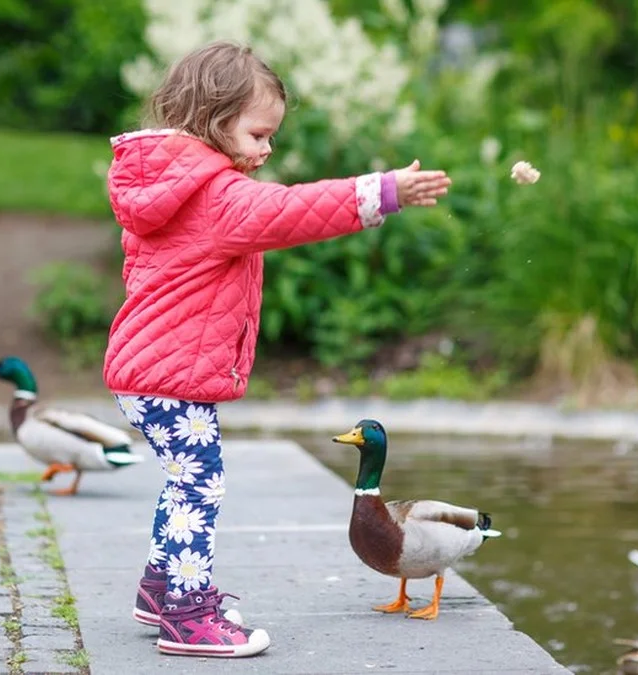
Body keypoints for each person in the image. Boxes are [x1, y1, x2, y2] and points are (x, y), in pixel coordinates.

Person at [104, 39, 451, 658]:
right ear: (215, 120)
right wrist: (383, 192)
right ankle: (185, 617)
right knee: (199, 485)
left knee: (186, 480)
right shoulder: (217, 197)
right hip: (167, 374)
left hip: (147, 368)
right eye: (259, 134)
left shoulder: (166, 184)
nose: (267, 149)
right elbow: (292, 210)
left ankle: (163, 588)